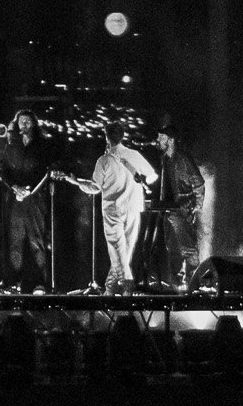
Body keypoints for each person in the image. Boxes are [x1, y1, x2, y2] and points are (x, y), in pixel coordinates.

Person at [53, 122, 156, 293]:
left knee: (118, 250)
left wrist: (76, 181)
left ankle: (127, 285)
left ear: (107, 137)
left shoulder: (104, 161)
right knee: (125, 251)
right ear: (122, 136)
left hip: (113, 210)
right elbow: (152, 177)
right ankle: (110, 288)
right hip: (134, 207)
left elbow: (94, 187)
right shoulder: (135, 155)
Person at [0, 110, 53, 291]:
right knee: (15, 241)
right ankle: (14, 281)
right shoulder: (11, 145)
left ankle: (40, 282)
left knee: (36, 240)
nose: (24, 125)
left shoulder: (42, 145)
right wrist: (14, 187)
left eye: (28, 122)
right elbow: (3, 171)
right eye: (21, 122)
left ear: (33, 124)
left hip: (35, 198)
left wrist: (31, 190)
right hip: (15, 198)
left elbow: (46, 170)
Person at [153, 120, 205, 289]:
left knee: (188, 247)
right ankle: (177, 286)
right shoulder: (165, 160)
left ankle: (193, 285)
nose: (158, 140)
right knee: (173, 249)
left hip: (181, 210)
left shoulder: (182, 159)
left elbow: (198, 183)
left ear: (171, 140)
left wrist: (196, 206)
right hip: (169, 210)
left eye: (161, 137)